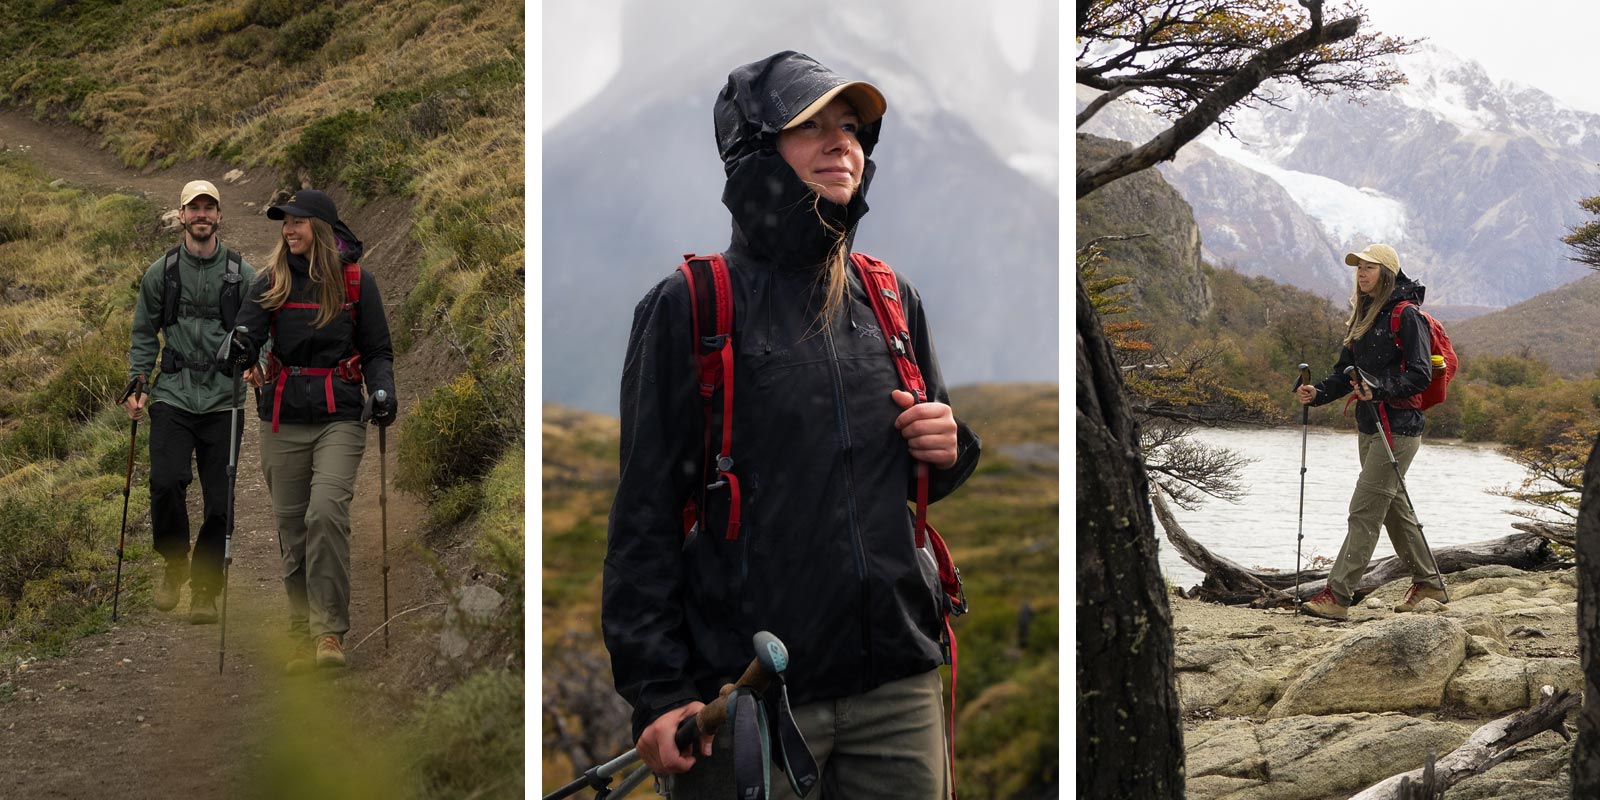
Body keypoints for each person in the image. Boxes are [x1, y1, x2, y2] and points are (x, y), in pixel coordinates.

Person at [602, 51, 981, 798]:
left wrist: (952, 447)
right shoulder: (690, 306)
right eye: (811, 125)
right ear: (752, 147)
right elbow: (642, 514)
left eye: (851, 127)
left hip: (899, 685)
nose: (844, 143)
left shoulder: (890, 296)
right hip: (747, 697)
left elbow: (926, 463)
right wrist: (656, 692)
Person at [234, 189, 396, 671]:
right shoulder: (271, 283)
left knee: (324, 513)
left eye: (297, 222)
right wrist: (241, 348)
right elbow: (247, 333)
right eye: (284, 222)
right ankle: (300, 627)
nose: (288, 229)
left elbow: (378, 351)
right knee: (292, 526)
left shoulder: (356, 285)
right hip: (282, 417)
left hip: (339, 416)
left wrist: (382, 391)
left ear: (320, 229)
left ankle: (328, 633)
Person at [126, 179, 256, 625]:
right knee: (164, 482)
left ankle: (204, 588)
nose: (201, 215)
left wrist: (259, 359)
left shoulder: (242, 273)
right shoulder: (161, 273)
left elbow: (262, 327)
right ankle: (174, 560)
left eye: (209, 208)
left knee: (221, 502)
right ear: (180, 215)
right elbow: (144, 332)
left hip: (225, 400)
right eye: (193, 208)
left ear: (219, 216)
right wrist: (139, 381)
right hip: (172, 394)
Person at [1296, 243, 1448, 621]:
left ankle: (1338, 596)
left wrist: (1378, 389)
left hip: (1398, 427)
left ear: (1387, 273)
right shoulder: (1363, 316)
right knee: (1393, 510)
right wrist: (1317, 394)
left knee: (1363, 510)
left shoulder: (1405, 314)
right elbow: (1344, 373)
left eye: (1370, 267)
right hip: (1370, 425)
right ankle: (1429, 583)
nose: (1362, 273)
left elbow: (1419, 374)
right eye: (1359, 267)